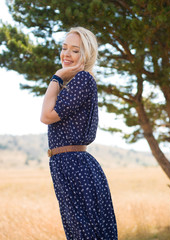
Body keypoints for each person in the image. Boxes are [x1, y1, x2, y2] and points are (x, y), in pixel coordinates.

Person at [40, 26, 118, 240]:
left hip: (75, 166)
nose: (66, 54)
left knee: (85, 233)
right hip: (67, 165)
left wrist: (56, 77)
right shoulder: (74, 83)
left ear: (87, 55)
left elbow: (46, 115)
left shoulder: (83, 79)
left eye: (75, 50)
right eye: (64, 48)